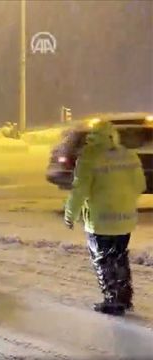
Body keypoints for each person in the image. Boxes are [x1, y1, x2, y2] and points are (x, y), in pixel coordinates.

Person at [64, 121, 146, 316]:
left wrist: (70, 214)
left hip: (100, 221)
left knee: (103, 260)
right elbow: (140, 185)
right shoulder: (129, 155)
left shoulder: (90, 156)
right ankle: (124, 298)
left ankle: (112, 300)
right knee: (119, 257)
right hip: (125, 220)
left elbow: (80, 190)